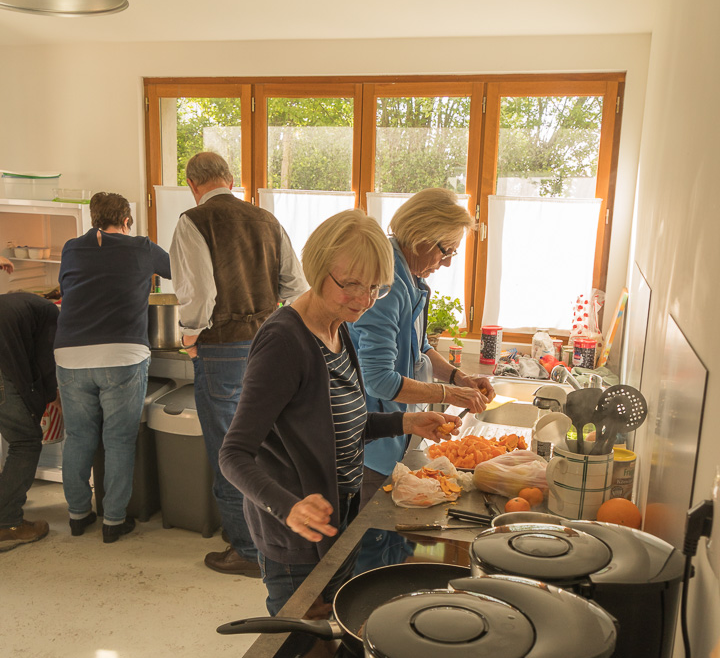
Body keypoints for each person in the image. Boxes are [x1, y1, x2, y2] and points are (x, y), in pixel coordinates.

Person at [218, 209, 460, 615]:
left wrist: (406, 420)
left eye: (374, 288)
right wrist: (289, 507)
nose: (364, 301)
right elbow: (234, 454)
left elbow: (340, 425)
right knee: (303, 647)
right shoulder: (284, 342)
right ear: (316, 269)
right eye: (350, 285)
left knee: (337, 625)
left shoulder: (339, 327)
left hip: (339, 519)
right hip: (297, 537)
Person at [169, 151, 307, 578]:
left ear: (193, 185)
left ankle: (246, 549)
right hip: (270, 346)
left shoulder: (193, 221)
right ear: (231, 179)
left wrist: (189, 338)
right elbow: (296, 287)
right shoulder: (268, 221)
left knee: (231, 450)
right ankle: (275, 537)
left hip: (224, 347)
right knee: (268, 445)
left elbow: (200, 296)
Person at [348, 187, 495, 504]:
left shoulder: (410, 279)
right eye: (447, 251)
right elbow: (378, 379)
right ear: (421, 238)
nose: (446, 264)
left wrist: (459, 378)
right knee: (370, 537)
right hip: (368, 442)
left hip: (394, 434)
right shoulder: (385, 286)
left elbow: (420, 348)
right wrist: (451, 394)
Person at [54, 192, 171, 543]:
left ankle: (78, 516)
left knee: (78, 438)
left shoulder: (72, 248)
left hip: (71, 354)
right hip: (122, 354)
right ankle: (114, 522)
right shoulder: (142, 247)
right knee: (118, 440)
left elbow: (68, 286)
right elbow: (182, 271)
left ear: (93, 218)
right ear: (127, 218)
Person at [0, 292, 59, 551]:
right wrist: (50, 397)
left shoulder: (18, 303)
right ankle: (8, 524)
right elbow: (44, 362)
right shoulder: (49, 313)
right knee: (26, 442)